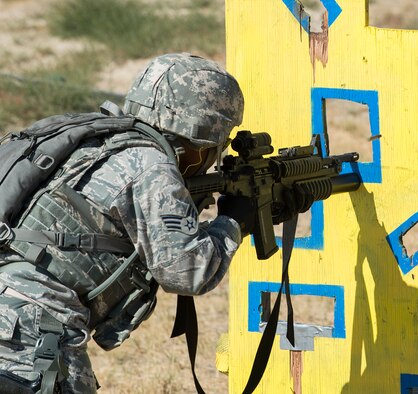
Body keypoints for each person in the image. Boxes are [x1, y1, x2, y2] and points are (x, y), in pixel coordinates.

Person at [0, 53, 251, 393]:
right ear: (201, 139)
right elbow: (187, 270)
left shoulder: (99, 141)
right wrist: (233, 221)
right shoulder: (151, 166)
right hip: (29, 328)